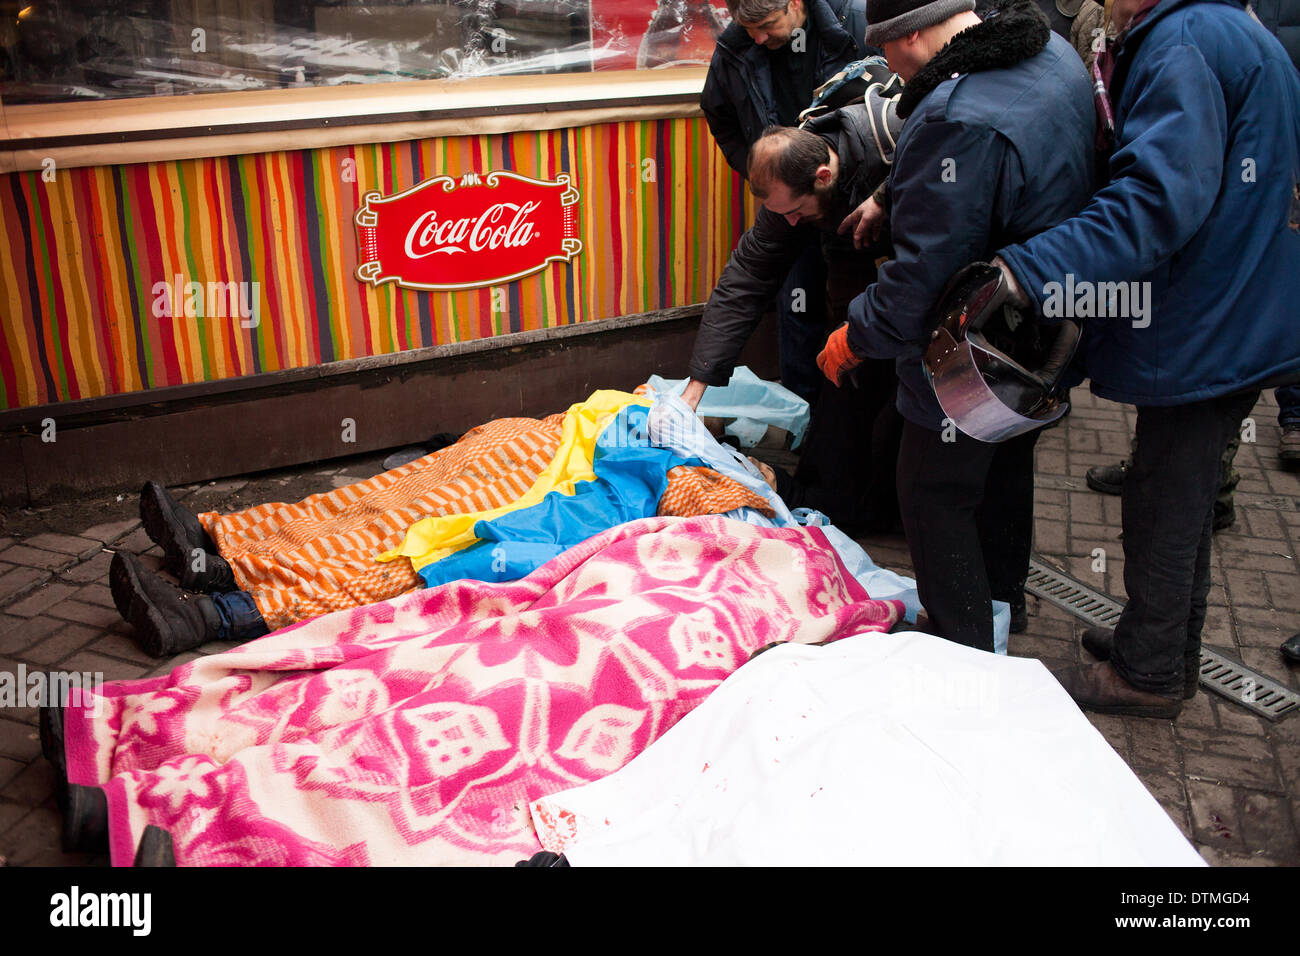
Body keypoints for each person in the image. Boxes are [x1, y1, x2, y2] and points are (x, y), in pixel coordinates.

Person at [993, 0, 1300, 717]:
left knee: (1164, 501)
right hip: (1239, 303)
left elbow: (1156, 200)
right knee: (1182, 497)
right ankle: (1158, 643)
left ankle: (1148, 674)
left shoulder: (1184, 40)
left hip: (1210, 316)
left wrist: (1026, 269)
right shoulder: (1222, 25)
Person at [813, 0, 1096, 649]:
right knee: (1005, 466)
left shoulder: (954, 114)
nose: (884, 64)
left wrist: (856, 333)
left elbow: (925, 273)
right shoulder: (1050, 54)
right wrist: (890, 194)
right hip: (1042, 331)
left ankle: (961, 642)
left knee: (931, 493)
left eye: (883, 49)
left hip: (972, 349)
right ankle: (1001, 604)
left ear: (910, 34)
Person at [683, 78, 909, 533]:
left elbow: (930, 259)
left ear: (823, 177)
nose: (789, 223)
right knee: (842, 413)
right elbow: (746, 278)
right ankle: (838, 501)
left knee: (895, 425)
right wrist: (696, 386)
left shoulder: (899, 147)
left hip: (915, 296)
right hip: (859, 290)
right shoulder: (795, 187)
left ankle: (889, 514)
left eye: (795, 211)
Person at [701, 0, 871, 405]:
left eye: (765, 25)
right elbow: (717, 112)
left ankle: (852, 412)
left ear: (795, 3)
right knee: (796, 304)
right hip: (795, 190)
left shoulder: (859, 21)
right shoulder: (735, 44)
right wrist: (766, 174)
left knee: (859, 302)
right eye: (748, 29)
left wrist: (880, 196)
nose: (757, 37)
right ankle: (804, 414)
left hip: (853, 193)